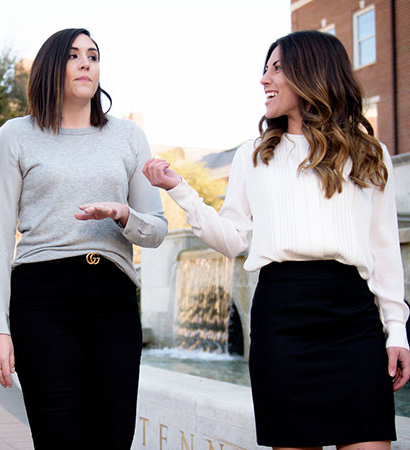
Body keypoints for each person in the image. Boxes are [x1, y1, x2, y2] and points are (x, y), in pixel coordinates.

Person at [143, 30, 410, 449]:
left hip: (354, 320)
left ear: (311, 73)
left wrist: (396, 331)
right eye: (265, 69)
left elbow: (384, 252)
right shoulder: (254, 155)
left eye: (277, 68)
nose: (264, 79)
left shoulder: (369, 155)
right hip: (282, 318)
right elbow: (232, 240)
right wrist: (180, 189)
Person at [0, 28, 168, 449]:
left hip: (113, 300)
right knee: (59, 438)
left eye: (94, 55)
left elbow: (156, 229)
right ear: (51, 67)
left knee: (113, 437)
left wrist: (125, 216)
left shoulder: (128, 135)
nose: (87, 63)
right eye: (73, 55)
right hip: (42, 299)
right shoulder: (16, 134)